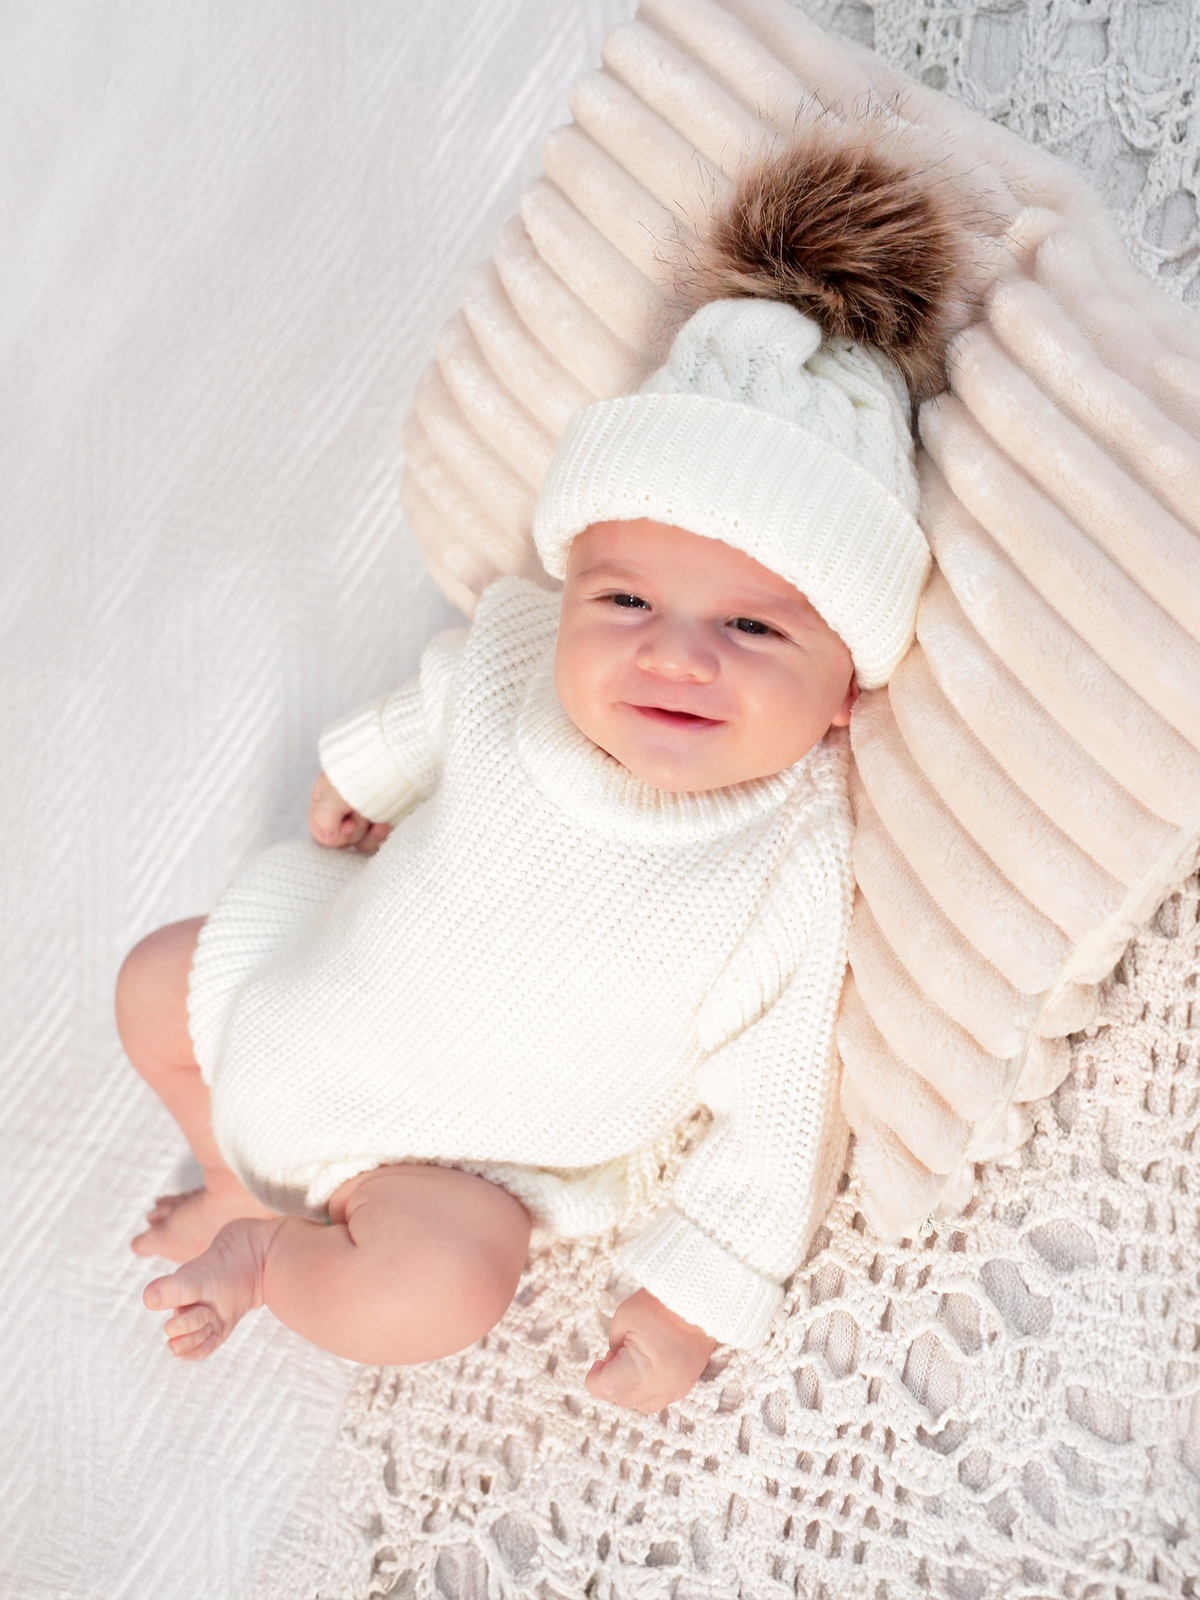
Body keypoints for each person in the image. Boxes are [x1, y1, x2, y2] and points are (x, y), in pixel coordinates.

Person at [116, 141, 953, 1412]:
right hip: (310, 995)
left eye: (751, 627)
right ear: (569, 593)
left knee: (444, 1289)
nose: (673, 652)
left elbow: (785, 1109)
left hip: (444, 1164)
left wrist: (693, 1301)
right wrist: (367, 768)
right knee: (152, 983)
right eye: (624, 600)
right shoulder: (518, 650)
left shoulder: (786, 855)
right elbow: (440, 697)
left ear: (847, 690)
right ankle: (234, 1166)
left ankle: (270, 1254)